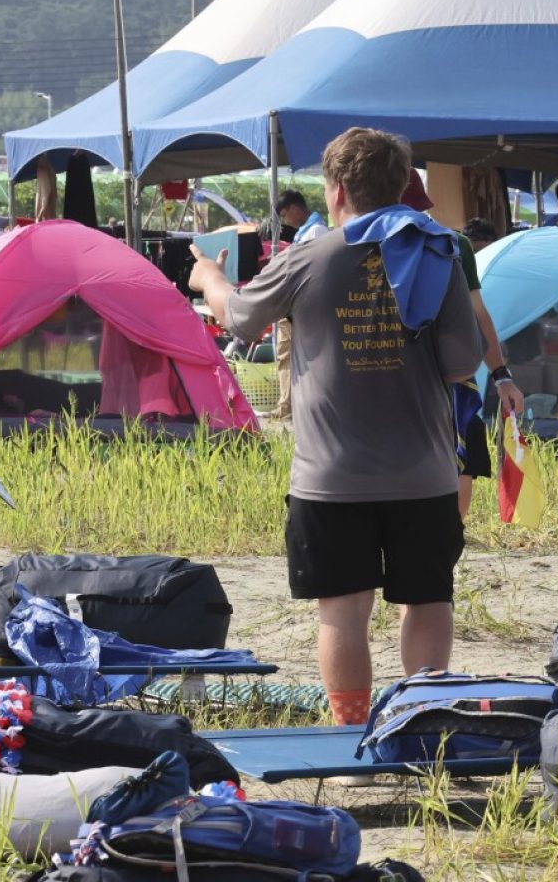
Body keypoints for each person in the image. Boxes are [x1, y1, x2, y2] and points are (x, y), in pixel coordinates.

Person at [189, 127, 484, 728]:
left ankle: (351, 741)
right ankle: (420, 731)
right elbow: (461, 363)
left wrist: (207, 279)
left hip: (331, 479)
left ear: (337, 188)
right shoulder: (440, 254)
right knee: (428, 602)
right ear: (403, 185)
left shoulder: (307, 257)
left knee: (342, 613)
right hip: (423, 474)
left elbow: (241, 318)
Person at [454, 219, 522, 520]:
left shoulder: (454, 245)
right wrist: (501, 377)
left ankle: (450, 535)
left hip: (440, 380)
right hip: (451, 378)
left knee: (459, 452)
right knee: (458, 453)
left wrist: (502, 376)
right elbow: (478, 313)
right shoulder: (452, 244)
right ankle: (450, 535)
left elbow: (479, 314)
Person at [270, 190, 330, 420]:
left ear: (296, 208)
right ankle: (287, 404)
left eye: (286, 215)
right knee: (286, 355)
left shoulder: (316, 231)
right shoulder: (304, 233)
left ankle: (296, 405)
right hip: (294, 306)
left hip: (305, 307)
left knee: (304, 356)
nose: (286, 221)